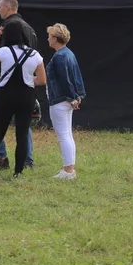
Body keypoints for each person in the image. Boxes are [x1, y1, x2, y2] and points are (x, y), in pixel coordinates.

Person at [0, 19, 45, 178]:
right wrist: (29, 80)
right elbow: (42, 80)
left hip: (6, 95)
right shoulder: (35, 54)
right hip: (26, 96)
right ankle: (18, 171)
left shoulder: (4, 51)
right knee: (21, 135)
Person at [0, 0, 37, 168]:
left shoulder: (9, 26)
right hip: (24, 84)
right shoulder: (29, 28)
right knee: (23, 123)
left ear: (8, 7)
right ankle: (26, 160)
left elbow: (2, 54)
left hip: (5, 81)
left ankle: (0, 155)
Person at [46, 23, 86, 178]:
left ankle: (68, 170)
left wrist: (72, 97)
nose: (48, 39)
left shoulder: (59, 57)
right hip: (66, 100)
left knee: (63, 135)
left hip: (60, 100)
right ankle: (69, 169)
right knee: (67, 134)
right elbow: (76, 76)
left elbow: (65, 80)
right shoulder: (68, 53)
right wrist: (78, 95)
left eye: (50, 36)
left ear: (56, 38)